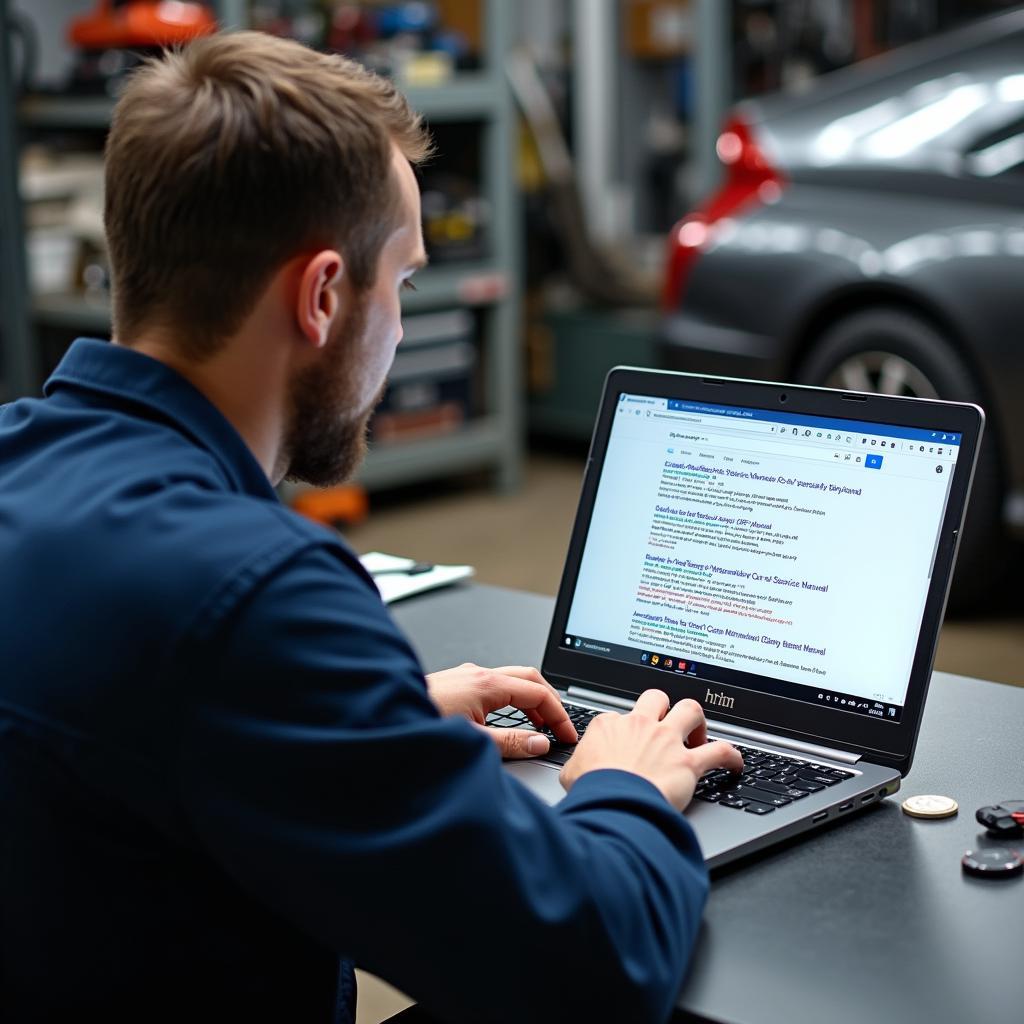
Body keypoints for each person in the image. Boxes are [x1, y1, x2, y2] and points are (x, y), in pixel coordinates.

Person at [0, 31, 742, 1024]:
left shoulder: (20, 462)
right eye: (403, 281)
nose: (398, 322)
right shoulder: (256, 592)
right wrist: (626, 787)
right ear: (319, 297)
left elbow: (130, 722)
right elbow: (594, 967)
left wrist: (363, 721)